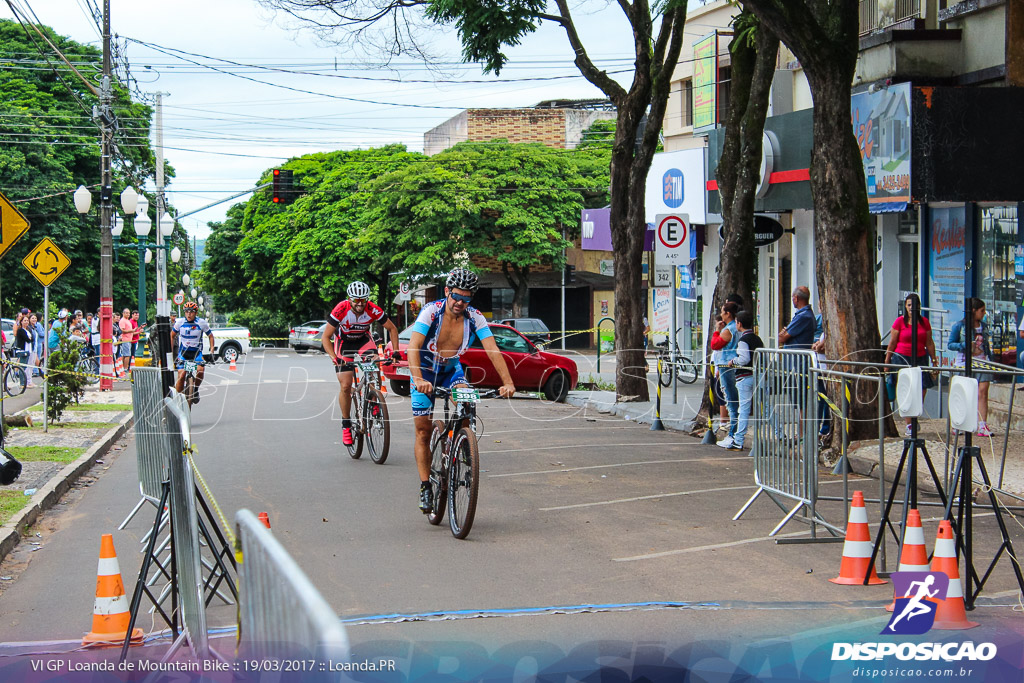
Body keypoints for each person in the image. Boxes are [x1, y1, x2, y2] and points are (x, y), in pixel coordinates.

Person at [407, 268, 516, 513]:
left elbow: (493, 349)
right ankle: (425, 486)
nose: (460, 303)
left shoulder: (475, 317)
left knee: (466, 400)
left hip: (451, 372)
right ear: (447, 291)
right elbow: (413, 347)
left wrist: (508, 382)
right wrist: (417, 378)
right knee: (423, 431)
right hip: (424, 373)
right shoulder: (430, 312)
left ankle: (461, 444)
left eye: (466, 298)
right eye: (456, 297)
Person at [321, 281, 400, 447]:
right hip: (344, 343)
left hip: (363, 341)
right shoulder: (341, 309)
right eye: (355, 300)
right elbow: (325, 337)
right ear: (349, 299)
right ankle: (346, 425)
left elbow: (392, 329)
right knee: (345, 385)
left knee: (374, 363)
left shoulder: (372, 309)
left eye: (363, 300)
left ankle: (374, 400)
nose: (359, 303)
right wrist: (335, 358)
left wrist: (395, 352)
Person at [885, 292, 938, 436]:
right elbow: (892, 342)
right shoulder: (899, 322)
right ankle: (909, 423)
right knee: (906, 390)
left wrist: (934, 359)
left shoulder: (924, 322)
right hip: (902, 357)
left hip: (920, 357)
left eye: (914, 305)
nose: (911, 308)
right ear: (905, 306)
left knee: (922, 388)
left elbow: (929, 342)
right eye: (908, 305)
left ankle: (915, 414)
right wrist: (887, 361)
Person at [948, 297, 993, 437]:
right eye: (982, 310)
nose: (984, 313)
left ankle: (982, 424)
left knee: (983, 392)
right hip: (964, 362)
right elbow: (950, 344)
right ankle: (958, 422)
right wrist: (966, 346)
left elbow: (987, 343)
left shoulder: (984, 326)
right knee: (964, 393)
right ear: (973, 311)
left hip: (982, 362)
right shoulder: (959, 326)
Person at [722, 310, 763, 452]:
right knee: (767, 407)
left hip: (745, 377)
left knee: (744, 409)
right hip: (758, 376)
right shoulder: (757, 339)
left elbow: (744, 359)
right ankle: (780, 433)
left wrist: (733, 361)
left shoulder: (743, 340)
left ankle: (738, 440)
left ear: (739, 324)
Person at [171, 301, 215, 400]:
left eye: (191, 312)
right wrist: (170, 352)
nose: (189, 314)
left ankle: (195, 389)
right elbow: (172, 335)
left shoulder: (201, 323)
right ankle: (178, 397)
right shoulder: (179, 323)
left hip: (196, 353)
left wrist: (211, 351)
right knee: (181, 374)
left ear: (196, 313)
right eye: (187, 311)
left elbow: (211, 336)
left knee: (200, 370)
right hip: (183, 353)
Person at [711, 302, 740, 447]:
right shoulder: (736, 327)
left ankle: (733, 434)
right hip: (730, 366)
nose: (721, 314)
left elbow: (715, 344)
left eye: (722, 312)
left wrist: (717, 330)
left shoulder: (729, 329)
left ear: (728, 314)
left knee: (731, 400)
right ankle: (735, 433)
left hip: (728, 367)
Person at [14, 317, 36, 388]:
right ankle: (22, 383)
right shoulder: (21, 330)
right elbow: (27, 339)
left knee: (26, 366)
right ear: (21, 322)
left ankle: (26, 382)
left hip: (28, 350)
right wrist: (29, 339)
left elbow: (32, 338)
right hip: (22, 350)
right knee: (22, 367)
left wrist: (30, 338)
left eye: (27, 320)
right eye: (24, 321)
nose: (26, 322)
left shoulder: (28, 330)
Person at [119, 308, 135, 373]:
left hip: (129, 339)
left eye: (129, 313)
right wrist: (131, 330)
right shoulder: (122, 321)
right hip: (125, 339)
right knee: (127, 355)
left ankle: (124, 367)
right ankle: (125, 368)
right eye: (126, 313)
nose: (128, 314)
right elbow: (122, 330)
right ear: (123, 313)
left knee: (126, 354)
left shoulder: (127, 321)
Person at [29, 313, 43, 378]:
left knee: (36, 359)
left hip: (36, 346)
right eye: (32, 318)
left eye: (35, 318)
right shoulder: (30, 328)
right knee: (33, 360)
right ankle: (36, 371)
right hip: (32, 347)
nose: (34, 319)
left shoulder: (35, 327)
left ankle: (38, 371)